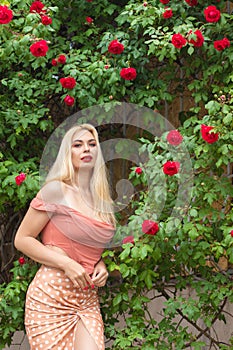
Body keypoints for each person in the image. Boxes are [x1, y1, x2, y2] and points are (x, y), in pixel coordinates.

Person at [14, 123, 116, 350]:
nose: (86, 149)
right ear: (67, 153)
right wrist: (67, 264)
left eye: (92, 144)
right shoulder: (55, 190)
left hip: (86, 298)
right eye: (78, 145)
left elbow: (88, 245)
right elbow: (22, 239)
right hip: (51, 295)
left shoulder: (101, 199)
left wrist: (100, 263)